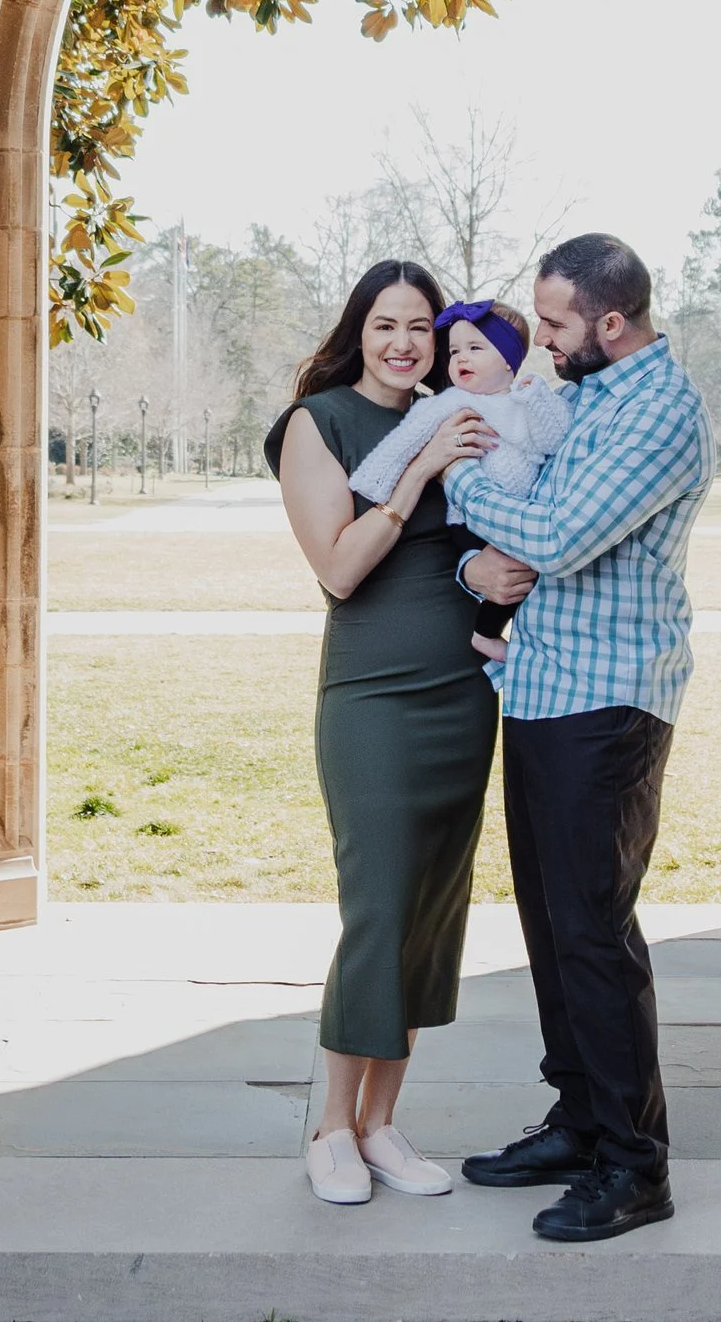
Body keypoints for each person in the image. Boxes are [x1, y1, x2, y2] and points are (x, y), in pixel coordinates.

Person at [441, 232, 713, 1245]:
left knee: (595, 933)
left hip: (609, 704)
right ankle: (579, 1118)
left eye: (554, 321)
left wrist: (458, 475)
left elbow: (552, 536)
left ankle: (636, 1166)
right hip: (543, 688)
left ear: (609, 320)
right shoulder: (588, 394)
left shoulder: (657, 408)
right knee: (553, 928)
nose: (540, 338)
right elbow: (542, 499)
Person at [265, 261, 498, 1209]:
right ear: (358, 330)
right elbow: (341, 567)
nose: (404, 343)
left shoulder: (454, 411)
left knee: (432, 912)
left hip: (464, 690)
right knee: (377, 906)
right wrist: (418, 475)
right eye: (385, 324)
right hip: (373, 695)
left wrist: (495, 568)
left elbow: (493, 526)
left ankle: (383, 1125)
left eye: (421, 327)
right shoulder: (319, 424)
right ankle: (330, 1128)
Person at [346, 301, 574, 672]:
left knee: (526, 574)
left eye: (474, 348)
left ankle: (515, 641)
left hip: (521, 518)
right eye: (453, 351)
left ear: (507, 360)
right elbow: (406, 439)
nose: (460, 359)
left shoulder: (526, 401)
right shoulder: (452, 402)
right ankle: (485, 636)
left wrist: (536, 397)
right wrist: (373, 482)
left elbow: (553, 440)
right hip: (470, 520)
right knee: (508, 571)